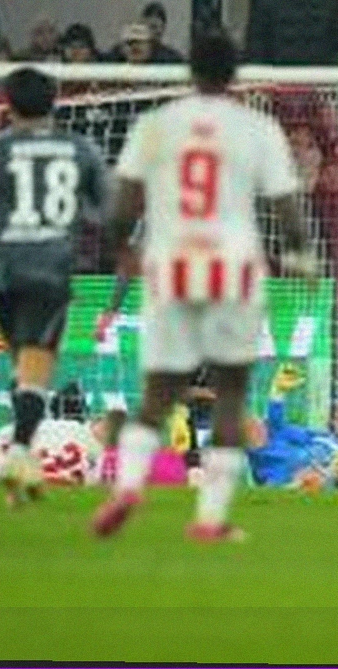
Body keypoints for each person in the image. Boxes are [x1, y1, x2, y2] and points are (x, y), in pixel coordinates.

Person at [92, 30, 312, 543]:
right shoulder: (257, 129)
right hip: (232, 270)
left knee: (157, 391)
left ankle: (128, 487)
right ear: (234, 75)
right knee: (230, 394)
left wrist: (122, 250)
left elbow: (122, 210)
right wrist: (300, 255)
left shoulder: (155, 125)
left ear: (189, 72)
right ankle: (210, 517)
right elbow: (286, 208)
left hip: (172, 268)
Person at [0, 67, 110, 506]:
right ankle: (21, 454)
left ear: (9, 104)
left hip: (0, 272)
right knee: (37, 372)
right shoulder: (79, 149)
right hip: (48, 270)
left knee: (20, 366)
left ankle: (20, 457)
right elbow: (104, 209)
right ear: (54, 103)